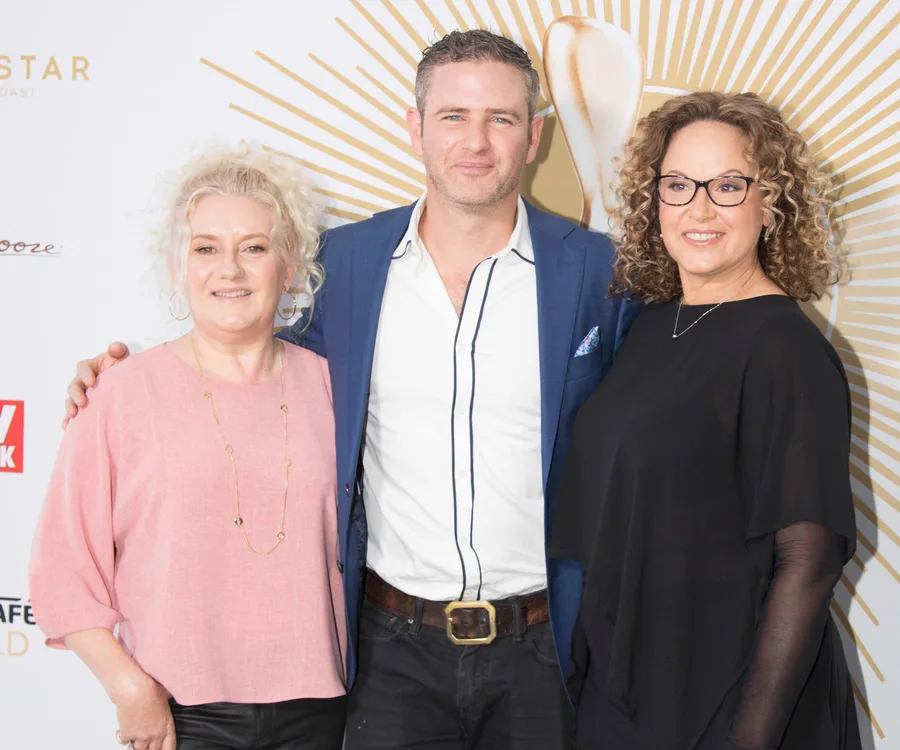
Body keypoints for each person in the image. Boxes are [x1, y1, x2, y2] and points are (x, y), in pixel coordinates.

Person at [63, 30, 638, 749]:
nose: (476, 141)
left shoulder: (596, 270)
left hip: (545, 647)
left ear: (535, 137)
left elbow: (653, 416)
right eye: (453, 116)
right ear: (414, 128)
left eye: (502, 118)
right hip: (391, 653)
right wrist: (120, 371)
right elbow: (249, 360)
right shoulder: (350, 263)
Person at [551, 91, 861, 750]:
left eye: (727, 185)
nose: (698, 208)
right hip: (629, 694)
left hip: (728, 704)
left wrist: (747, 740)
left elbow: (810, 561)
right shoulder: (653, 326)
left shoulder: (785, 347)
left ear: (770, 203)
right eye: (677, 184)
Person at [33, 146, 347, 750]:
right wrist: (131, 692)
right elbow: (62, 575)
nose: (229, 270)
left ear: (289, 267)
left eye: (254, 247)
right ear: (179, 268)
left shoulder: (334, 386)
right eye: (206, 248)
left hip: (323, 712)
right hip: (179, 717)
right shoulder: (118, 392)